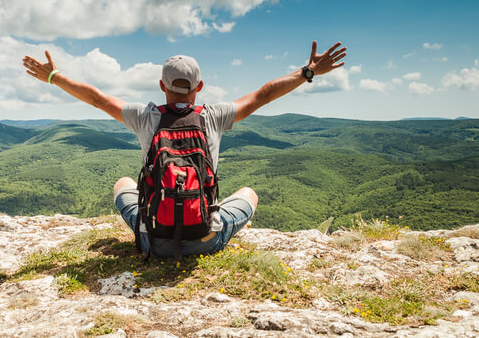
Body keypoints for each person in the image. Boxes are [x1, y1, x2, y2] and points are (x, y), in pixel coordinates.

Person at [22, 40, 346, 257]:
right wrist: (308, 72)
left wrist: (54, 76)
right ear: (200, 87)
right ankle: (209, 227)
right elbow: (262, 95)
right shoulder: (215, 116)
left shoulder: (144, 116)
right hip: (205, 239)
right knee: (248, 192)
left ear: (162, 86)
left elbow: (97, 98)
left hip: (152, 242)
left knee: (122, 183)